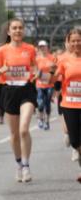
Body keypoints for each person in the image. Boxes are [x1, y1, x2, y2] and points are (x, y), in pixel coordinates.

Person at [0, 19, 38, 183]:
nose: (18, 30)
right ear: (9, 32)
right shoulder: (1, 51)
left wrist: (36, 72)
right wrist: (2, 70)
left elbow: (35, 67)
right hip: (9, 91)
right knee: (14, 134)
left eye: (20, 28)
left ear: (24, 31)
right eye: (14, 28)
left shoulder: (30, 49)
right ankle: (19, 163)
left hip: (26, 90)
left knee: (24, 129)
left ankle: (26, 166)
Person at [55, 28, 81, 180]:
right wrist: (50, 74)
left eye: (79, 40)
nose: (76, 43)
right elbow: (55, 80)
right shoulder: (63, 60)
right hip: (69, 104)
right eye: (73, 41)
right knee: (75, 141)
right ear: (69, 43)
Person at [35, 39, 57, 130]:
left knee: (47, 104)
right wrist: (37, 74)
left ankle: (47, 121)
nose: (42, 48)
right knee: (40, 103)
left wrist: (51, 75)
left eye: (44, 46)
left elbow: (55, 71)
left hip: (49, 85)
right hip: (40, 84)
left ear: (47, 47)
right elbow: (35, 71)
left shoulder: (52, 58)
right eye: (40, 47)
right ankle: (40, 118)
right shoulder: (37, 59)